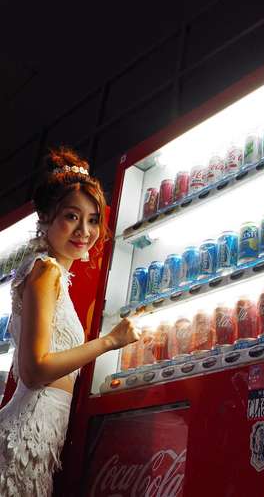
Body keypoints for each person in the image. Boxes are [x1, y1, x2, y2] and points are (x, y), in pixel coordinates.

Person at [0, 147, 139, 496]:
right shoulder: (46, 270)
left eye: (93, 220)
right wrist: (109, 342)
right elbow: (34, 370)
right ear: (46, 217)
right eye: (72, 216)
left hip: (38, 439)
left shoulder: (53, 274)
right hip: (23, 440)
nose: (84, 231)